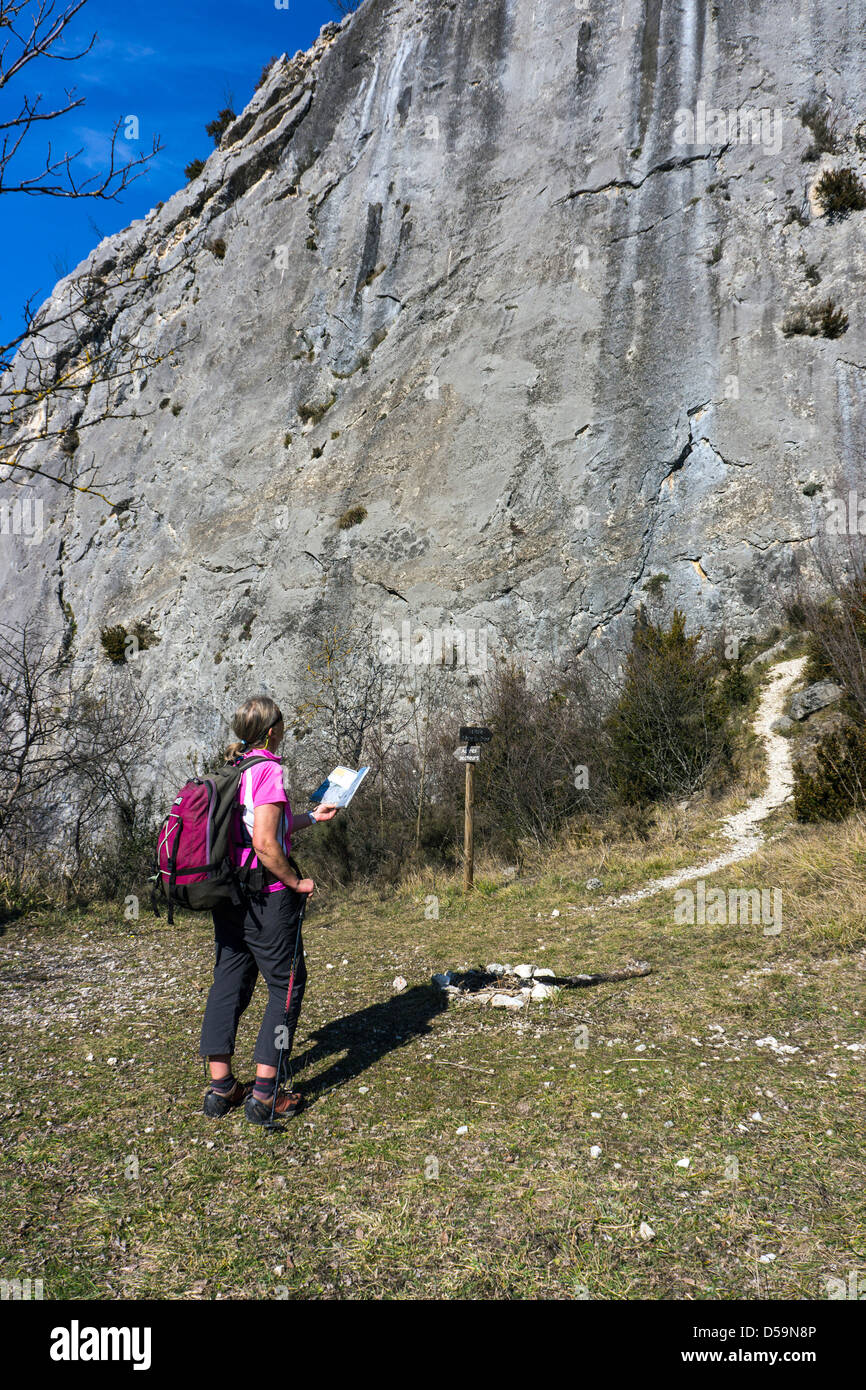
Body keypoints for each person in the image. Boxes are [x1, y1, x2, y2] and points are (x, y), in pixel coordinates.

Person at [199, 696, 338, 1123]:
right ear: (272, 730)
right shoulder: (269, 770)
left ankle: (221, 1089)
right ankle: (265, 1094)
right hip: (267, 896)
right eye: (283, 723)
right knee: (286, 985)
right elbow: (264, 842)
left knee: (229, 981)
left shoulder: (232, 769)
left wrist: (312, 818)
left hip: (229, 895)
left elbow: (260, 826)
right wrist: (297, 882)